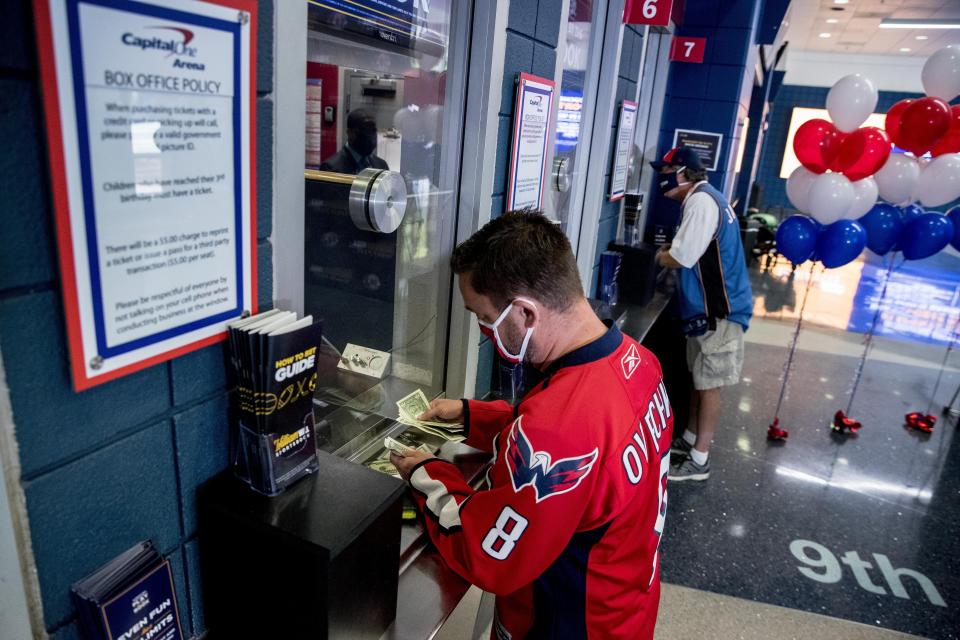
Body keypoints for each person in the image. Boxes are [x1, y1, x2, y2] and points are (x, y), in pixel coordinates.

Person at [390, 212, 673, 639]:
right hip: (627, 606)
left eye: (483, 316)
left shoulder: (557, 430)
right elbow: (594, 443)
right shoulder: (638, 363)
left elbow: (490, 554)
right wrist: (473, 416)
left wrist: (426, 474)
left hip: (569, 624)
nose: (484, 332)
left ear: (524, 312)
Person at [651, 146, 753, 482]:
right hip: (709, 311)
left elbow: (681, 256)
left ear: (682, 172)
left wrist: (656, 257)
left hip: (720, 312)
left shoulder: (700, 201)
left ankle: (700, 460)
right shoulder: (709, 199)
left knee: (710, 385)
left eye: (666, 172)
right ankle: (691, 440)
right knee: (700, 378)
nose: (662, 179)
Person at [319, 108, 389, 173]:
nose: (371, 137)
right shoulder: (331, 168)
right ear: (350, 133)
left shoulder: (381, 166)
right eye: (365, 131)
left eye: (373, 130)